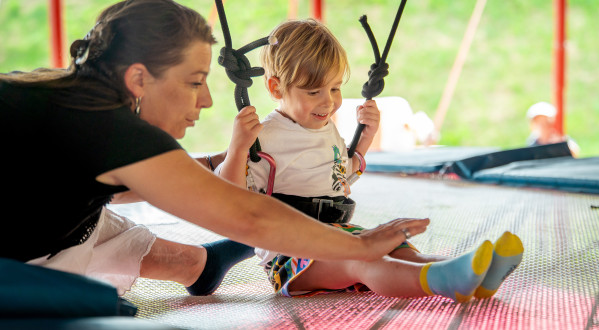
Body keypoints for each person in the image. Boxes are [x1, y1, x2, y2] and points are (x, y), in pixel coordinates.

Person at [0, 0, 430, 298]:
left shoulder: (60, 96)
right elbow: (247, 215)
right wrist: (360, 247)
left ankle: (199, 266)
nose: (206, 100)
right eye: (193, 82)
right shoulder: (113, 129)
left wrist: (215, 162)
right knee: (89, 232)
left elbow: (112, 185)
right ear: (138, 79)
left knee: (94, 216)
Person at [216, 18, 523, 302]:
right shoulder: (263, 137)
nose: (329, 101)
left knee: (396, 248)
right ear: (276, 87)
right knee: (364, 262)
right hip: (291, 255)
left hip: (335, 233)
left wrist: (365, 136)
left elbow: (341, 177)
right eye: (314, 92)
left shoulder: (326, 128)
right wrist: (238, 147)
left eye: (335, 88)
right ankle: (443, 279)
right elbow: (228, 199)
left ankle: (470, 272)